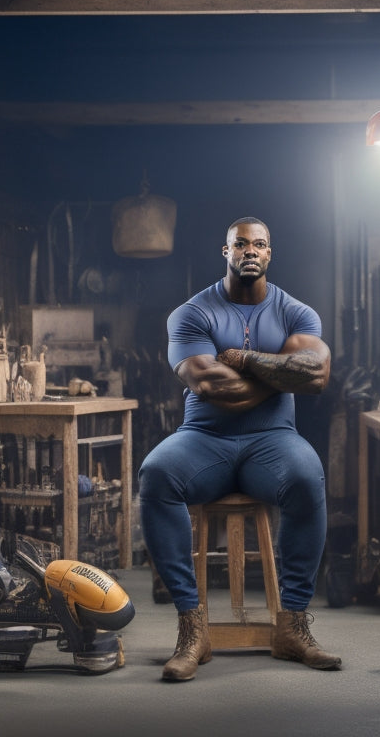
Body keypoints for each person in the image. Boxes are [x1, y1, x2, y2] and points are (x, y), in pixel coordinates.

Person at [139, 215, 341, 682]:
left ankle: (291, 628)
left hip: (274, 442)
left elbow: (316, 374)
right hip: (204, 439)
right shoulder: (191, 313)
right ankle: (194, 631)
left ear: (270, 254)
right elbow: (211, 384)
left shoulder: (297, 312)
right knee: (156, 474)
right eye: (240, 244)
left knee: (308, 476)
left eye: (260, 244)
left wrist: (247, 359)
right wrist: (281, 373)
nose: (250, 251)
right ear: (225, 252)